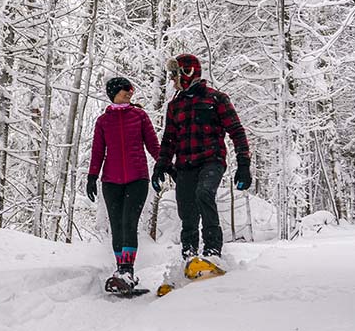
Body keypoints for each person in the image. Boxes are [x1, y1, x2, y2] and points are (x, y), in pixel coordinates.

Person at [152, 54, 251, 264]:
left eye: (175, 74)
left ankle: (212, 252)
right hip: (185, 166)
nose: (172, 79)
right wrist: (161, 165)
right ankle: (189, 258)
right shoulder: (174, 106)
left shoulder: (216, 98)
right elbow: (169, 139)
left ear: (187, 73)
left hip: (211, 160)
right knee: (186, 211)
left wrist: (244, 164)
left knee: (204, 193)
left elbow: (237, 131)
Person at [87, 77, 160, 293]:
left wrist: (164, 165)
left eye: (131, 89)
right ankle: (121, 272)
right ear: (114, 92)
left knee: (129, 223)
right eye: (126, 89)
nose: (130, 92)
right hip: (111, 182)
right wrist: (92, 176)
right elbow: (98, 151)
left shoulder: (139, 116)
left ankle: (127, 271)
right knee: (117, 226)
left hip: (137, 179)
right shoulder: (103, 121)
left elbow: (153, 145)